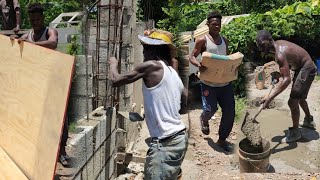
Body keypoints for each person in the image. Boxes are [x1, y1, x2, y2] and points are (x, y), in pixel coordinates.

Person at [108, 29, 188, 179]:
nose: (144, 52)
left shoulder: (151, 66)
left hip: (165, 144)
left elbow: (115, 80)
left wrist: (113, 64)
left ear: (154, 50)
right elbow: (182, 104)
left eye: (146, 48)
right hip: (179, 138)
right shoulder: (172, 72)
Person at [11, 3, 69, 166]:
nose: (35, 21)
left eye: (37, 18)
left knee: (60, 118)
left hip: (53, 81)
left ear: (43, 18)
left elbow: (52, 44)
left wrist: (29, 44)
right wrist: (15, 41)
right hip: (35, 84)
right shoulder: (27, 35)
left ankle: (62, 152)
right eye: (32, 19)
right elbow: (17, 46)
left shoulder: (50, 31)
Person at [256, 30, 317, 143]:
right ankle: (309, 120)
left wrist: (270, 98)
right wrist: (278, 74)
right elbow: (286, 69)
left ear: (269, 40)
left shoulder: (279, 53)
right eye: (259, 45)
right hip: (303, 67)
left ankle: (295, 133)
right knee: (300, 98)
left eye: (262, 44)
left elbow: (287, 79)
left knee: (292, 101)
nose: (261, 48)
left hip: (307, 68)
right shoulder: (278, 44)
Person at [189, 11, 235, 152]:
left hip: (225, 84)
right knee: (211, 109)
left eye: (219, 25)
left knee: (229, 111)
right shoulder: (202, 40)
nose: (217, 27)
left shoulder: (225, 41)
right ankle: (204, 118)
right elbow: (191, 57)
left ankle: (222, 140)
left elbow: (225, 61)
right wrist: (198, 65)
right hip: (208, 83)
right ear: (208, 24)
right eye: (214, 24)